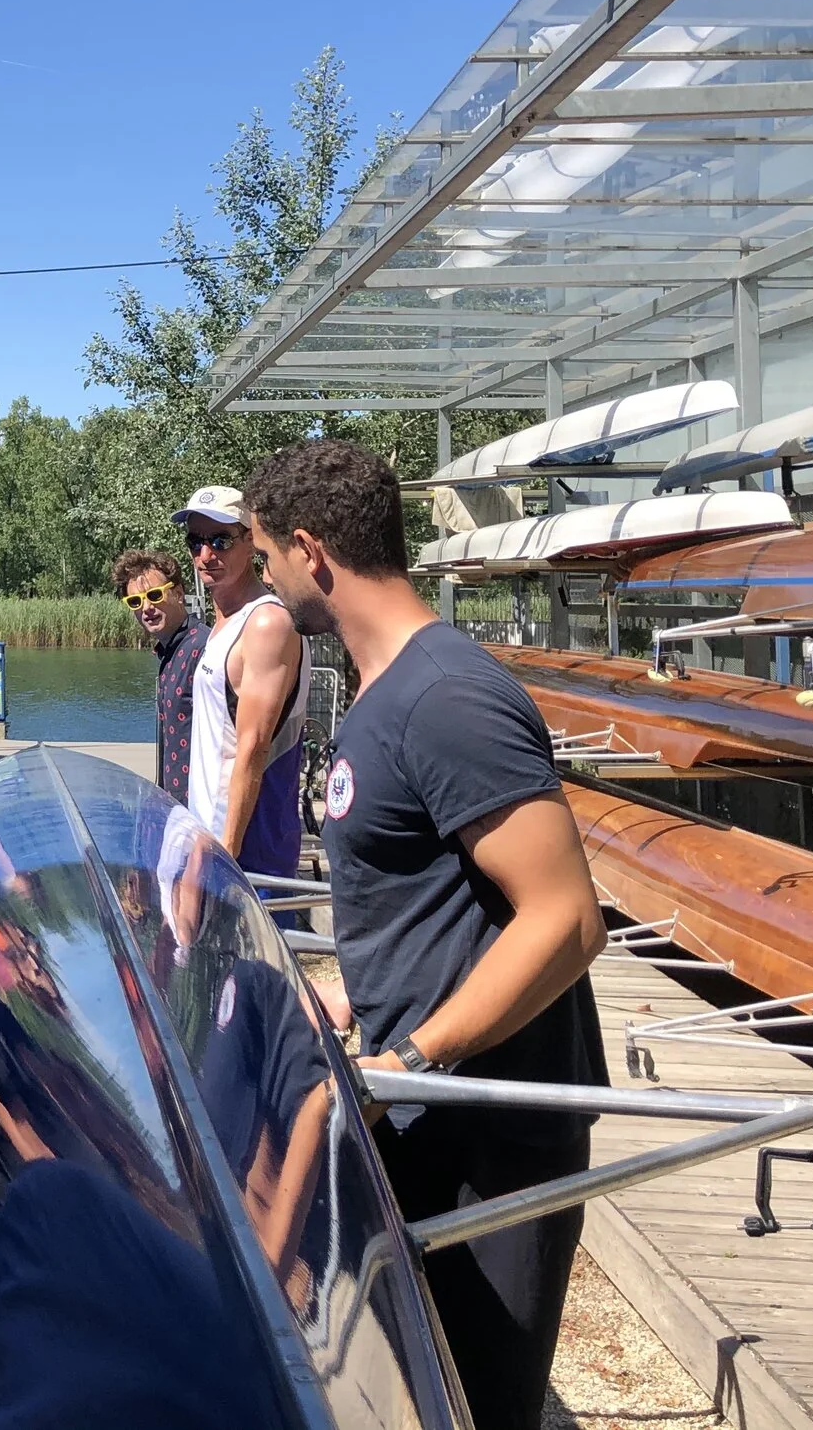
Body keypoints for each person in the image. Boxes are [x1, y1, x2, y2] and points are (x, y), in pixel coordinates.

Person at [240, 439, 608, 1430]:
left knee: (478, 1405)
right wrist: (351, 996)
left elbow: (566, 920)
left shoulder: (444, 696)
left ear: (311, 551)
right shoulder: (378, 690)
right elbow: (433, 901)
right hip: (416, 1111)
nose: (265, 584)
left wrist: (409, 1054)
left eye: (266, 557)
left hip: (489, 1129)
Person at [176, 486, 308, 887]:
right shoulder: (224, 624)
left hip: (248, 849)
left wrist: (224, 855)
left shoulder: (266, 623)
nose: (206, 555)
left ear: (251, 540)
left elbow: (252, 747)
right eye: (196, 541)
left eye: (220, 540)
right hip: (209, 837)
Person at [112, 547, 204, 799]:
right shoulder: (170, 652)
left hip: (204, 809)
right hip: (176, 808)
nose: (146, 607)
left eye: (154, 595)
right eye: (135, 601)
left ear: (178, 593)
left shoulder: (203, 648)